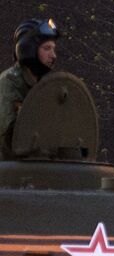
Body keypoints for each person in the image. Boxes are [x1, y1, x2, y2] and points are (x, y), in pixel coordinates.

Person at [1, 18, 59, 158]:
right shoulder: (9, 83)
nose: (53, 55)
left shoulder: (43, 85)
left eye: (53, 49)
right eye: (47, 48)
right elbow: (10, 138)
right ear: (28, 49)